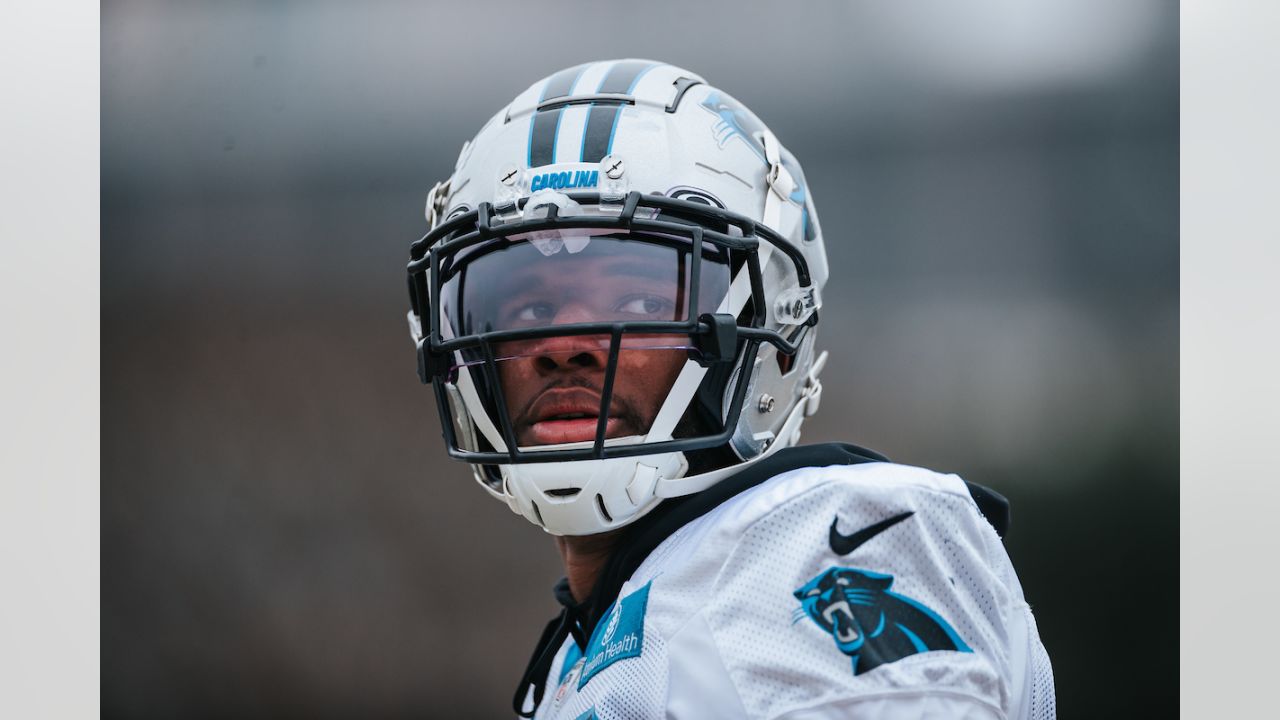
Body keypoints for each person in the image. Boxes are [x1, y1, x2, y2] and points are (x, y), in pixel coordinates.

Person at [405, 59, 1055, 719]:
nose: (563, 345)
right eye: (527, 309)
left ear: (761, 320)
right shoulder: (590, 641)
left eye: (636, 297)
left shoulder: (821, 541)